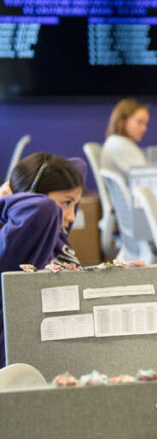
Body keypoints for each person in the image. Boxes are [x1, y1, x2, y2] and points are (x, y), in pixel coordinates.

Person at [0, 152, 86, 366]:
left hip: (58, 338)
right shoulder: (21, 241)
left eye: (74, 204)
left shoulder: (56, 233)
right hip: (28, 360)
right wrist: (5, 199)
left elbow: (78, 164)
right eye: (66, 203)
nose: (71, 216)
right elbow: (43, 207)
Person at [100, 98, 149, 179]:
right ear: (123, 120)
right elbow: (142, 177)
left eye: (145, 123)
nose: (144, 128)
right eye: (139, 122)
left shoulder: (120, 142)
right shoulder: (119, 145)